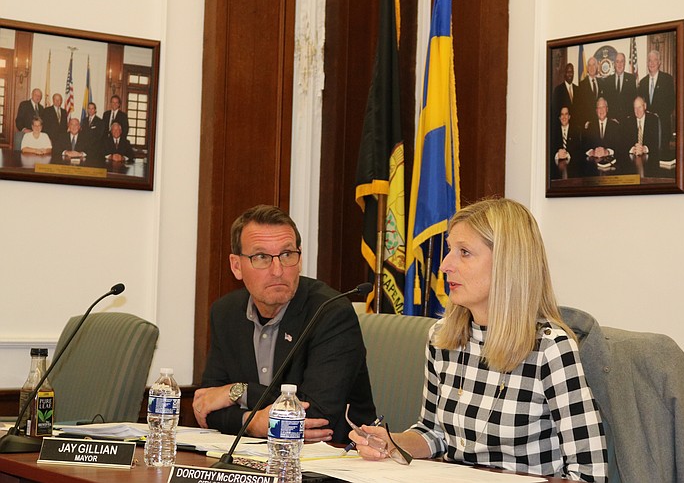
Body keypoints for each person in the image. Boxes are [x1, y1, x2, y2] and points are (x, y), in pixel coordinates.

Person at [350, 198, 607, 481]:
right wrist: (391, 441)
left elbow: (588, 473)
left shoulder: (550, 348)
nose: (446, 265)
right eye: (450, 250)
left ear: (507, 264)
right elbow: (434, 434)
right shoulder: (442, 337)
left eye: (464, 252)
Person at [192, 205, 376, 444]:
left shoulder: (330, 312)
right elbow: (208, 406)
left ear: (299, 260)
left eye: (287, 255)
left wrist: (238, 392)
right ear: (236, 266)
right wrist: (254, 422)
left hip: (332, 458)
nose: (278, 270)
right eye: (261, 257)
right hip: (256, 455)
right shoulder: (225, 312)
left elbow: (317, 415)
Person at [636, 50, 676, 149]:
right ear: (647, 63)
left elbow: (672, 102)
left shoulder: (667, 79)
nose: (652, 63)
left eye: (655, 60)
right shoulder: (643, 82)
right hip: (647, 128)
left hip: (662, 126)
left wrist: (658, 116)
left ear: (659, 63)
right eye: (650, 60)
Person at [602, 53, 637, 123]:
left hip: (627, 121)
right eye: (617, 62)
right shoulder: (608, 80)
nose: (619, 64)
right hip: (612, 121)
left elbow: (634, 99)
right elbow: (606, 102)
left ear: (625, 63)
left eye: (622, 61)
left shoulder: (631, 79)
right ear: (614, 64)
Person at [575, 56, 603, 129]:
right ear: (587, 68)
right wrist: (584, 122)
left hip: (600, 123)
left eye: (594, 65)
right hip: (587, 124)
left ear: (597, 67)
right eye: (589, 65)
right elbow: (579, 108)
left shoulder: (602, 83)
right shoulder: (581, 85)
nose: (592, 67)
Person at [551, 63, 577, 128]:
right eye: (568, 72)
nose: (570, 74)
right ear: (564, 74)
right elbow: (555, 111)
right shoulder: (558, 90)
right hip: (563, 127)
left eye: (571, 72)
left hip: (575, 128)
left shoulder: (578, 89)